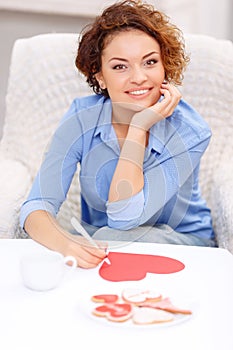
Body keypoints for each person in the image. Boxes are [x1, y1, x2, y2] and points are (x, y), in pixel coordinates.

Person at [20, 0, 216, 269]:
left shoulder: (190, 131)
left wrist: (139, 127)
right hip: (108, 246)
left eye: (150, 62)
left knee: (108, 236)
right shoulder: (81, 119)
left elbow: (125, 219)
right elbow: (36, 207)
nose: (138, 78)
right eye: (120, 66)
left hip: (186, 246)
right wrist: (65, 243)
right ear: (99, 76)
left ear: (165, 67)